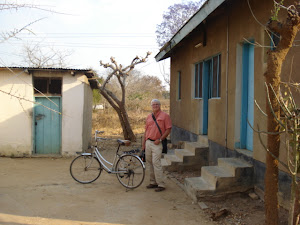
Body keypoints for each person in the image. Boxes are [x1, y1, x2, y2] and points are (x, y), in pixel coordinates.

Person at [143, 99, 172, 192]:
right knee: (149, 162)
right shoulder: (149, 117)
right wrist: (143, 145)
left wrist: (160, 139)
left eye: (156, 104)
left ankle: (161, 184)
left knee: (156, 162)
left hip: (157, 143)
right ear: (151, 106)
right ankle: (153, 182)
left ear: (160, 105)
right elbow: (146, 131)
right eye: (153, 104)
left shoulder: (165, 116)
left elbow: (168, 129)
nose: (155, 106)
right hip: (148, 142)